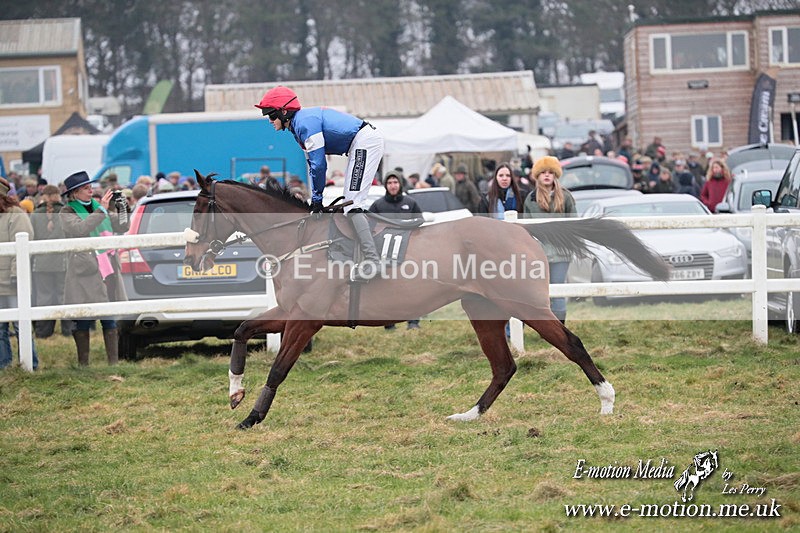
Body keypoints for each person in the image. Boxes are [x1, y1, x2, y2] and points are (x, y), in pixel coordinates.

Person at [255, 86, 384, 282]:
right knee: (349, 203)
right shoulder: (298, 125)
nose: (270, 121)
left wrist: (317, 200)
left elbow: (319, 165)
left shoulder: (304, 124)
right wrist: (316, 200)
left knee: (353, 204)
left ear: (283, 111)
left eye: (271, 115)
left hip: (365, 142)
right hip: (358, 143)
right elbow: (313, 164)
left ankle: (373, 261)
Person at [60, 171, 130, 365]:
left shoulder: (100, 208)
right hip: (84, 271)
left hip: (106, 268)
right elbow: (79, 229)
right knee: (83, 317)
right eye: (86, 188)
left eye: (91, 187)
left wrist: (123, 207)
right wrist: (102, 211)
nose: (91, 190)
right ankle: (83, 364)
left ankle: (113, 364)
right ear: (74, 193)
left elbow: (123, 227)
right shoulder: (66, 212)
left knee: (108, 318)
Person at [522, 156, 577, 324]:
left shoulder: (566, 197)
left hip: (561, 253)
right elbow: (526, 229)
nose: (547, 175)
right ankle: (546, 327)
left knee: (557, 290)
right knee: (540, 292)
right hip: (538, 254)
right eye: (543, 172)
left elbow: (574, 223)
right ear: (537, 176)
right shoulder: (530, 199)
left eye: (550, 172)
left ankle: (560, 327)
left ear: (555, 175)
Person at [368, 170, 423, 330]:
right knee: (388, 288)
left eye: (395, 182)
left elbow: (421, 223)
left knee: (412, 287)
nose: (393, 186)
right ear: (386, 185)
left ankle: (413, 322)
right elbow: (369, 227)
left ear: (400, 184)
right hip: (385, 253)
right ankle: (389, 323)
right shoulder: (378, 205)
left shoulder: (410, 203)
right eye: (390, 183)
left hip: (408, 251)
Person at [0, 177, 38, 370]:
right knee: (0, 329)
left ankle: (29, 364)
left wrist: (16, 276)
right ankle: (4, 366)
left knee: (20, 325)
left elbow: (23, 245)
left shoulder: (16, 215)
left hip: (13, 281)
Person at [30, 185, 71, 338]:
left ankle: (43, 332)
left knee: (44, 298)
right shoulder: (65, 212)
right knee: (64, 296)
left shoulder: (35, 214)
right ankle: (68, 330)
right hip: (62, 261)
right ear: (58, 195)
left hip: (40, 263)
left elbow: (31, 237)